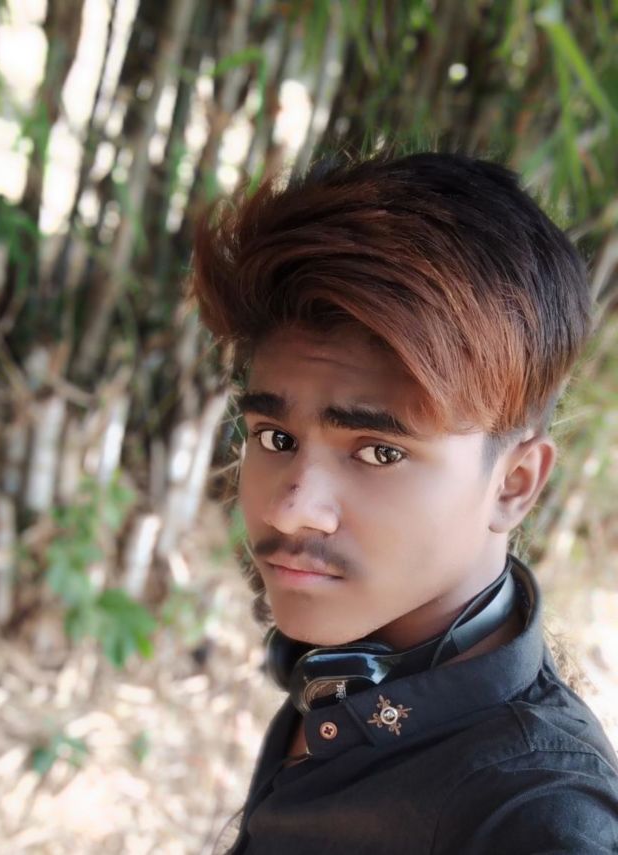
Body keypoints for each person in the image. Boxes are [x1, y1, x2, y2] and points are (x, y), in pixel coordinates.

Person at [190, 151, 618, 854]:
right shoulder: (347, 661)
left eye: (379, 452)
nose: (292, 510)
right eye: (275, 437)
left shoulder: (535, 819)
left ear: (514, 483)